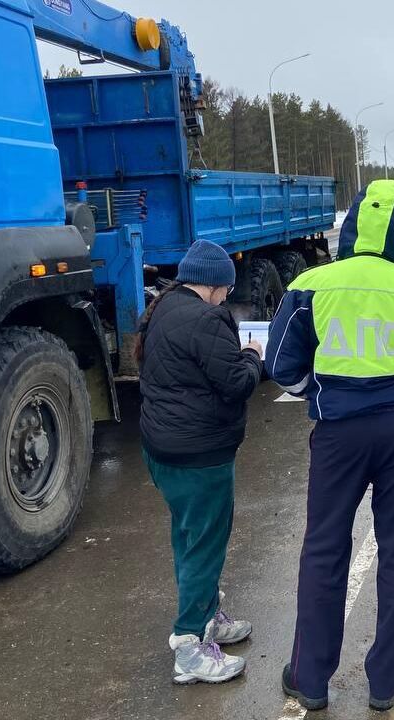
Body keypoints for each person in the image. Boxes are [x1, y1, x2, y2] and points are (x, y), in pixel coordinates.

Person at [266, 179, 394, 712]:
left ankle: (310, 678)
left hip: (337, 432)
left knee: (323, 550)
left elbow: (281, 367)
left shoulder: (312, 283)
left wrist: (317, 391)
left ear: (354, 225)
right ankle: (384, 682)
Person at [137, 240, 264, 684]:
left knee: (188, 538)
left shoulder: (165, 307)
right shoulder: (207, 319)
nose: (227, 295)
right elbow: (235, 384)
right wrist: (252, 356)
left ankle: (207, 614)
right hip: (199, 457)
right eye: (226, 287)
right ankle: (189, 646)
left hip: (164, 451)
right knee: (205, 547)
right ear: (215, 285)